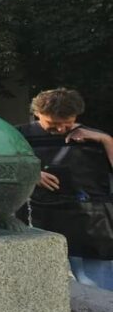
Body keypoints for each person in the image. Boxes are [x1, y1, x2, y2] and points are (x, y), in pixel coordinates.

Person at [17, 88, 113, 289]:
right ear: (37, 114)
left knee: (98, 288)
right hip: (39, 218)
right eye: (52, 124)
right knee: (41, 285)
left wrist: (106, 140)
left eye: (67, 123)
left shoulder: (96, 138)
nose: (61, 129)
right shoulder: (17, 136)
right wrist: (31, 173)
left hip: (90, 222)